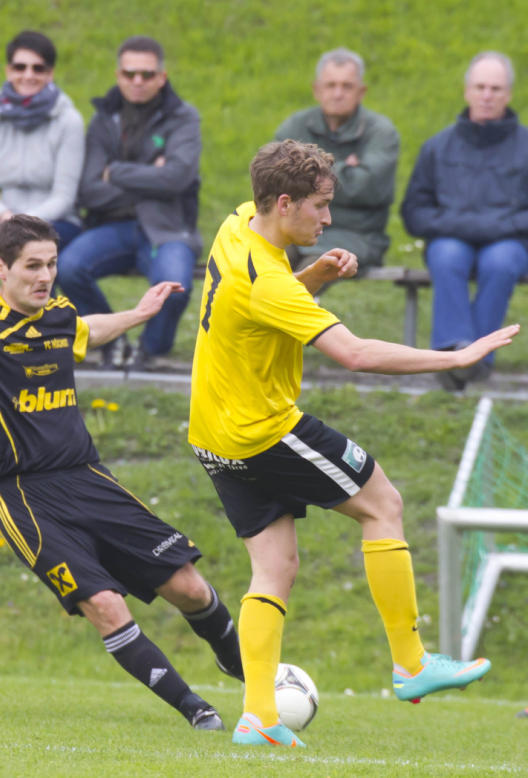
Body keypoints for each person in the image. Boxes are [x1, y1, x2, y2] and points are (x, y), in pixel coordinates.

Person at [188, 139, 516, 748]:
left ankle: (258, 717)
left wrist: (312, 276)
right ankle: (411, 664)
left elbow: (259, 305)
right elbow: (357, 354)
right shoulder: (270, 283)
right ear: (283, 204)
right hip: (263, 431)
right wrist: (457, 355)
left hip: (213, 433)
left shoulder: (238, 224)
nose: (328, 218)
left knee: (274, 567)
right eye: (319, 205)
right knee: (382, 503)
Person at [0, 214, 243, 730]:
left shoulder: (60, 314)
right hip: (25, 496)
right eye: (32, 266)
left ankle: (250, 672)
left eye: (51, 264)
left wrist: (138, 314)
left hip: (87, 477)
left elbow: (86, 330)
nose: (45, 276)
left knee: (190, 587)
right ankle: (196, 709)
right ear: (0, 268)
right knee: (105, 604)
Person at [57, 35, 201, 370]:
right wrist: (153, 177)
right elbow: (88, 190)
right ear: (118, 75)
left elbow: (177, 178)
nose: (137, 81)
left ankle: (150, 349)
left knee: (175, 285)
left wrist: (116, 172)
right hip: (113, 226)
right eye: (129, 73)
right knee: (68, 267)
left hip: (167, 228)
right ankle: (111, 338)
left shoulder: (184, 117)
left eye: (147, 74)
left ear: (162, 77)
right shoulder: (103, 118)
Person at [401, 51, 528, 390]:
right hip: (450, 240)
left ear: (508, 94)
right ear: (467, 91)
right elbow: (414, 212)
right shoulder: (437, 147)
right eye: (480, 87)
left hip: (510, 243)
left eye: (495, 89)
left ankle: (475, 359)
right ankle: (453, 351)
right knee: (447, 255)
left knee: (501, 261)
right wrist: (462, 226)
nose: (487, 95)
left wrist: (498, 226)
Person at [0, 30, 84, 303]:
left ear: (50, 73)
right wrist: (5, 216)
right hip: (4, 216)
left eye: (38, 68)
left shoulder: (69, 121)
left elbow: (64, 196)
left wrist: (25, 223)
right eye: (20, 67)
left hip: (57, 220)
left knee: (41, 249)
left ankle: (50, 321)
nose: (28, 74)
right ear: (8, 71)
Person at [274, 47, 399, 273]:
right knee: (260, 260)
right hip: (297, 227)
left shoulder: (381, 132)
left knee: (314, 269)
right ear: (317, 90)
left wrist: (304, 172)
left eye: (347, 86)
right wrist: (346, 169)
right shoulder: (295, 126)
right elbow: (275, 179)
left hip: (356, 235)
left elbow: (366, 187)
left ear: (361, 92)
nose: (338, 93)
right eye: (330, 85)